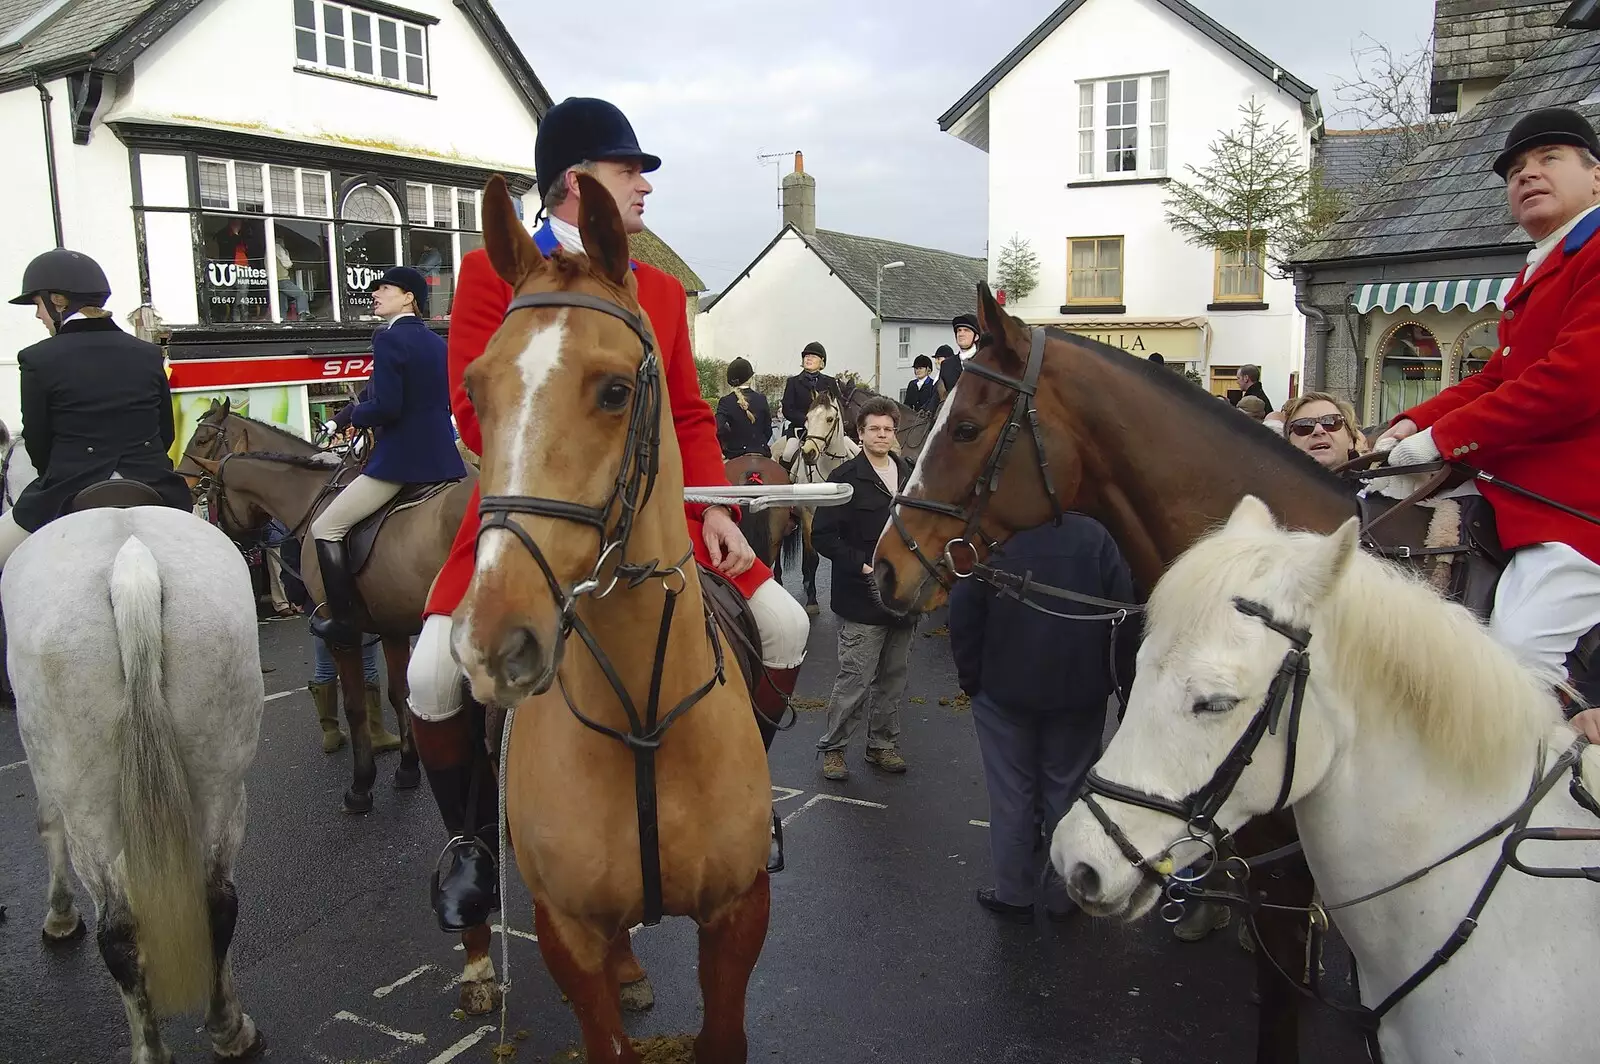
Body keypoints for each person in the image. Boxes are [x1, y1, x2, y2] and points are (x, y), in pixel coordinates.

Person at [406, 96, 811, 932]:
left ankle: (742, 802)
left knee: (787, 626)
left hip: (659, 513)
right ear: (574, 183)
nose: (644, 187)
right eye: (629, 170)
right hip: (529, 512)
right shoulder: (491, 273)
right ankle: (472, 844)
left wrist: (715, 507)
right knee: (431, 678)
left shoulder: (657, 289)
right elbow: (470, 406)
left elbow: (691, 414)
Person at [1380, 106, 1600, 743]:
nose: (1527, 174)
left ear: (1596, 178)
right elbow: (1497, 378)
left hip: (1578, 510)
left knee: (1512, 659)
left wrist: (1445, 438)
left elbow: (1574, 380)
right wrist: (1408, 425)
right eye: (1515, 170)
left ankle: (1547, 818)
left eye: (1548, 159)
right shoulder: (1540, 268)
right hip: (1521, 491)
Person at [951, 515, 1137, 923]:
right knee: (1068, 793)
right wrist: (1120, 682)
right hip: (1079, 691)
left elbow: (963, 611)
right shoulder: (1095, 536)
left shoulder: (992, 532)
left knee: (1010, 795)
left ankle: (1013, 893)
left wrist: (971, 679)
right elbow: (1124, 614)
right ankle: (1063, 896)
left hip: (1003, 690)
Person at [0, 249, 192, 569]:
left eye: (38, 305)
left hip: (68, 485)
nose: (38, 316)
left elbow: (37, 442)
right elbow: (166, 432)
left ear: (58, 301)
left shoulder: (37, 358)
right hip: (153, 484)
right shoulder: (147, 353)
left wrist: (60, 472)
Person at [308, 265, 465, 649]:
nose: (376, 293)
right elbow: (383, 390)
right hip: (443, 459)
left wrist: (359, 416)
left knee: (324, 528)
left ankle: (344, 619)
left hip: (401, 461)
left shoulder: (387, 339)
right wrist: (340, 418)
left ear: (409, 296)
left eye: (386, 288)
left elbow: (387, 405)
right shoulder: (436, 342)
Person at [812, 397, 916, 779]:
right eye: (874, 428)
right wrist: (862, 564)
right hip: (861, 598)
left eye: (888, 429)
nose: (882, 435)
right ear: (861, 433)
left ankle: (883, 745)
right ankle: (834, 749)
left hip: (905, 597)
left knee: (892, 679)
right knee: (855, 679)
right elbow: (822, 535)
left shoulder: (910, 474)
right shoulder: (844, 478)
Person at [1282, 392, 1366, 470]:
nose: (1318, 430)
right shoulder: (1272, 485)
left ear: (1350, 439)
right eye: (1303, 426)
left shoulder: (1376, 484)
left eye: (1331, 422)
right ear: (1289, 444)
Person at [715, 356, 774, 459]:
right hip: (761, 453)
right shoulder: (761, 399)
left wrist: (727, 443)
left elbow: (718, 428)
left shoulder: (725, 401)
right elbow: (768, 430)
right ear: (750, 379)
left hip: (735, 454)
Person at [781, 341, 840, 436]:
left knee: (850, 447)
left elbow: (838, 407)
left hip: (827, 432)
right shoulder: (793, 382)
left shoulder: (830, 382)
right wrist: (806, 421)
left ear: (822, 361)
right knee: (789, 451)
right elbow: (788, 410)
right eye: (806, 356)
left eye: (813, 356)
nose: (809, 359)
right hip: (800, 430)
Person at [939, 314, 980, 396]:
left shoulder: (985, 362)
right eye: (959, 330)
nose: (961, 334)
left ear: (976, 337)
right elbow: (937, 396)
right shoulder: (946, 365)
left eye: (966, 330)